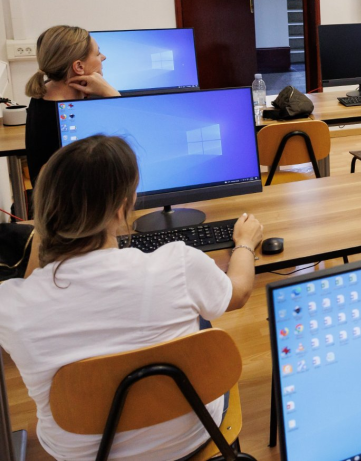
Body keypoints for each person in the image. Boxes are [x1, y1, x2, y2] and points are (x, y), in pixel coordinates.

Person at [0, 135, 264, 460]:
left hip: (84, 453)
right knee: (202, 312)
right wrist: (245, 242)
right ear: (123, 206)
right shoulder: (177, 264)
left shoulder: (10, 304)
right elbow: (238, 293)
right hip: (191, 435)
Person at [25, 25, 120, 186]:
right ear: (79, 67)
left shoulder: (44, 95)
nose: (103, 57)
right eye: (97, 53)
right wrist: (112, 94)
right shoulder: (66, 115)